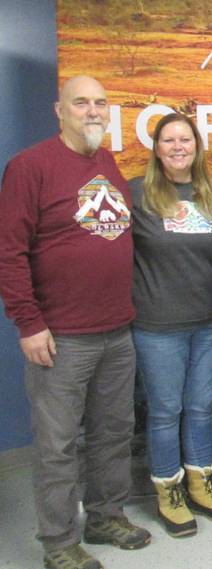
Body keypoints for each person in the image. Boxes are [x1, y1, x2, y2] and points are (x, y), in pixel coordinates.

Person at [0, 76, 151, 569]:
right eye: (81, 102)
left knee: (112, 432)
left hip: (116, 328)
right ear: (58, 110)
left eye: (101, 103)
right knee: (58, 445)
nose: (92, 111)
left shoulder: (104, 162)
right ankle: (59, 543)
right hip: (60, 336)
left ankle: (106, 516)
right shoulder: (30, 167)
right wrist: (28, 322)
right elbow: (10, 252)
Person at [130, 113, 212, 538]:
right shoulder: (136, 194)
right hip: (157, 326)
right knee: (165, 411)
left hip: (209, 323)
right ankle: (168, 490)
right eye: (169, 140)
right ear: (156, 148)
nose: (178, 147)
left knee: (199, 407)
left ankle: (201, 482)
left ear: (197, 147)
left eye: (186, 140)